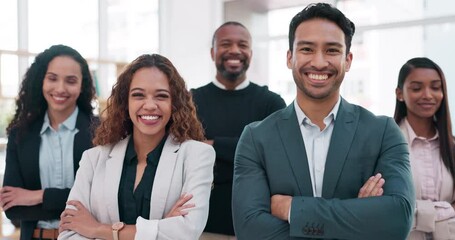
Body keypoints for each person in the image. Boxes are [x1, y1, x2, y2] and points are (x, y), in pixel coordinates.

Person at [232, 3, 416, 240]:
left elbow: (398, 220)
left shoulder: (383, 132)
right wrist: (360, 219)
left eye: (331, 50)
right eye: (307, 49)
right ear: (290, 58)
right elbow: (251, 231)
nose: (319, 62)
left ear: (348, 60)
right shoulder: (256, 138)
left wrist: (292, 210)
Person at [58, 54, 215, 240]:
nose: (149, 105)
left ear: (175, 104)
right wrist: (160, 227)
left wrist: (97, 229)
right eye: (138, 95)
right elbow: (69, 232)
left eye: (161, 96)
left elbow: (186, 231)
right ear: (126, 102)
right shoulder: (93, 159)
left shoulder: (197, 155)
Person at [191, 21, 286, 239]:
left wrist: (213, 145)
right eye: (226, 44)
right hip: (204, 226)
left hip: (259, 226)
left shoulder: (271, 103)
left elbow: (274, 155)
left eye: (242, 45)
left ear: (250, 54)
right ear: (212, 52)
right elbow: (187, 154)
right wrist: (249, 153)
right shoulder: (191, 100)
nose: (235, 50)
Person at [0, 44, 98, 240]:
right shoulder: (21, 133)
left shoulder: (101, 132)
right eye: (52, 78)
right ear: (41, 81)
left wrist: (37, 196)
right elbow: (13, 207)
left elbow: (99, 202)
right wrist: (72, 204)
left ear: (82, 85)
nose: (60, 88)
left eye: (70, 81)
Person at [394, 57, 455, 239]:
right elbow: (387, 210)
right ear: (400, 94)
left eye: (435, 87)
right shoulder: (383, 145)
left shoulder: (452, 147)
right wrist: (447, 209)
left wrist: (416, 210)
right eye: (416, 88)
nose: (427, 95)